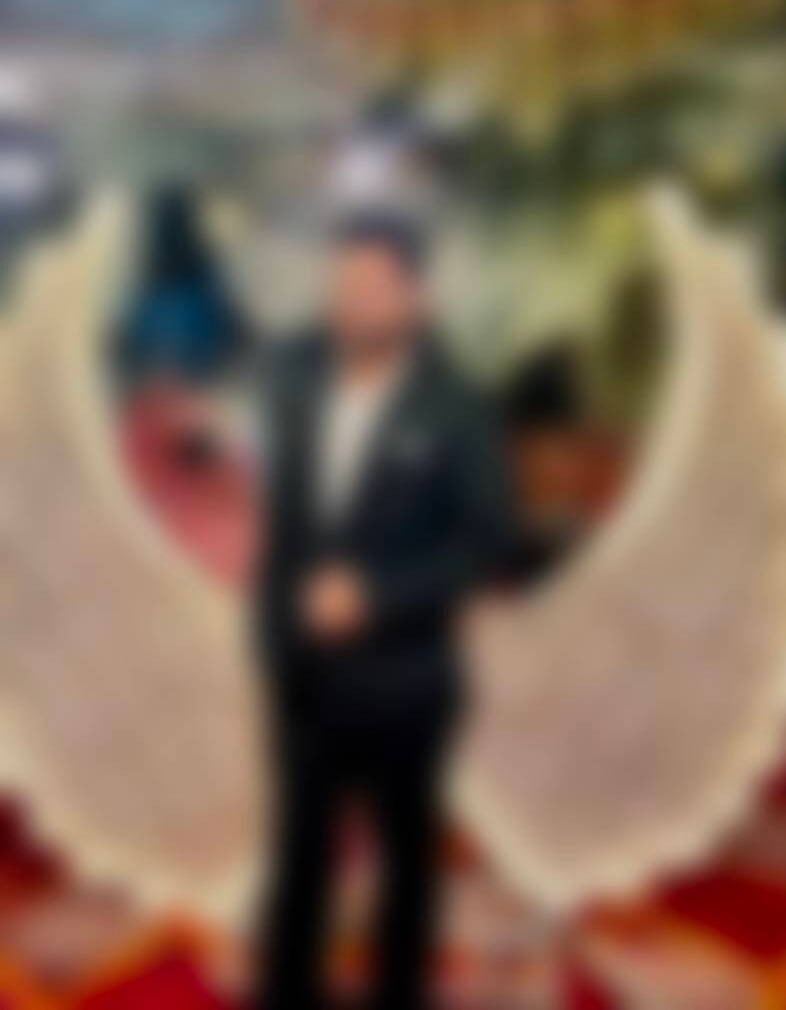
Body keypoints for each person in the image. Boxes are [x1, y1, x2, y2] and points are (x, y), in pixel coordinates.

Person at [252, 211, 511, 1009]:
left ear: (415, 298)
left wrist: (378, 595)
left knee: (407, 866)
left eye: (369, 286)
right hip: (304, 677)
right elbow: (280, 523)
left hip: (406, 679)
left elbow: (487, 543)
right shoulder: (292, 382)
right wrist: (269, 640)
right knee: (298, 861)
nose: (348, 301)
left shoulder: (458, 406)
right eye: (340, 283)